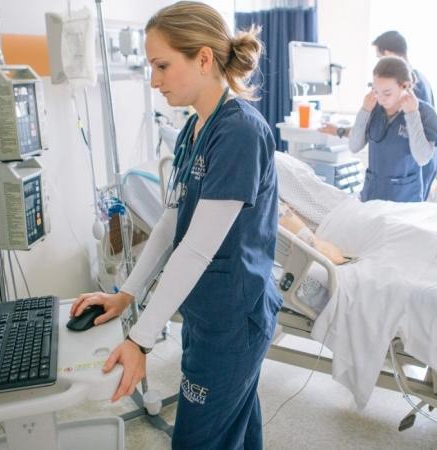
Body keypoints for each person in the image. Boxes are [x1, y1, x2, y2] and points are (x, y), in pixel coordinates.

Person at [69, 2, 281, 448]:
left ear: (203, 59)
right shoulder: (196, 127)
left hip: (234, 318)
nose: (154, 80)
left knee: (198, 438)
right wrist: (127, 292)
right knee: (237, 426)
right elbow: (170, 222)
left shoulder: (239, 131)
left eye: (162, 65)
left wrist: (140, 341)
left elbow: (196, 249)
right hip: (209, 312)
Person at [321, 31, 437, 200]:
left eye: (387, 93)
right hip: (373, 194)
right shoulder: (374, 108)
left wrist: (412, 115)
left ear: (405, 86)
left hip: (404, 198)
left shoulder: (424, 112)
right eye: (376, 91)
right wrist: (364, 111)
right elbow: (355, 146)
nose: (381, 99)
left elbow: (422, 158)